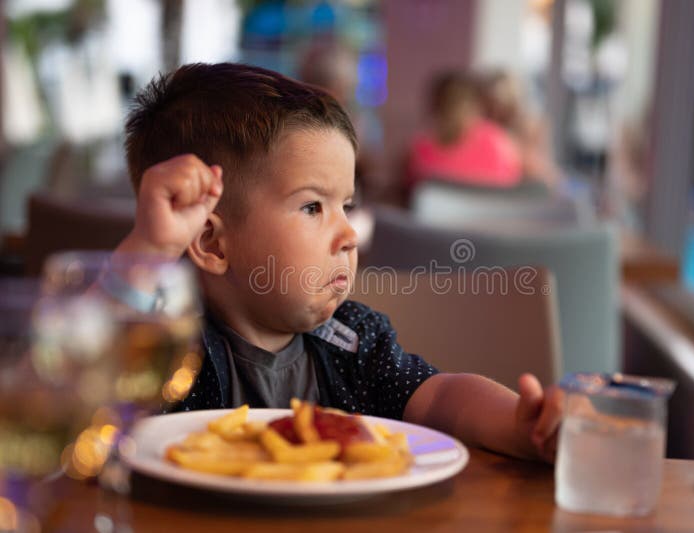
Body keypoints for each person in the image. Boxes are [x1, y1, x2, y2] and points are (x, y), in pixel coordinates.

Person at [114, 63, 562, 462]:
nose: (349, 236)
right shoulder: (171, 346)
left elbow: (443, 397)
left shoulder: (351, 342)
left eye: (346, 205)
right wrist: (150, 248)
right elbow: (90, 368)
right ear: (212, 243)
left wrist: (516, 423)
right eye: (313, 207)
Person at [406, 71, 522, 191]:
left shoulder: (496, 143)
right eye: (451, 104)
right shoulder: (420, 149)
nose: (456, 113)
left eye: (461, 104)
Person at [477, 69, 562, 190]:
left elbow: (544, 170)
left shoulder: (532, 125)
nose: (496, 107)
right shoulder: (483, 129)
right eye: (492, 99)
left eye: (501, 97)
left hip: (524, 190)